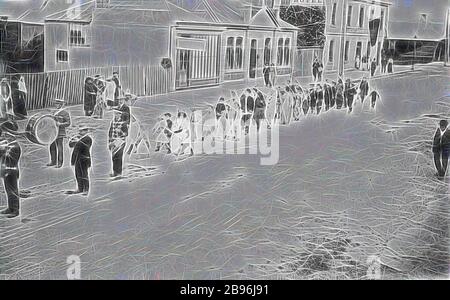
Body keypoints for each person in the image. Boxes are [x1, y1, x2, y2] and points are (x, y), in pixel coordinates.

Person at [0, 123, 21, 218]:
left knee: (13, 190)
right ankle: (10, 207)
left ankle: (15, 210)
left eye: (6, 133)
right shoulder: (7, 144)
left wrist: (3, 150)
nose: (4, 135)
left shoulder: (14, 146)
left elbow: (10, 160)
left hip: (11, 172)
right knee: (8, 190)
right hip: (7, 172)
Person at [108, 96, 130, 178]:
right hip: (113, 141)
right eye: (115, 114)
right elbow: (110, 131)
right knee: (113, 157)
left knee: (119, 157)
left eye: (117, 114)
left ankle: (119, 172)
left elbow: (126, 133)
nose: (116, 115)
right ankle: (114, 171)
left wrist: (122, 135)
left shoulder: (123, 123)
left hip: (120, 141)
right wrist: (109, 140)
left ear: (120, 115)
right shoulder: (113, 122)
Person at [67, 127, 92, 196]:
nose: (80, 132)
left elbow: (81, 145)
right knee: (78, 174)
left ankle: (86, 190)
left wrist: (77, 140)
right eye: (80, 130)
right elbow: (70, 145)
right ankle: (80, 189)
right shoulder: (79, 138)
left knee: (84, 174)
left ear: (86, 131)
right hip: (77, 159)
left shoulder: (88, 139)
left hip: (84, 159)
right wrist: (71, 139)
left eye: (82, 131)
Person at [47, 99, 71, 168]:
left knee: (59, 147)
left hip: (60, 132)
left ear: (61, 105)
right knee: (52, 146)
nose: (56, 105)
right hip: (53, 132)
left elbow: (68, 123)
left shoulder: (65, 112)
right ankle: (53, 161)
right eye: (55, 104)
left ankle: (60, 163)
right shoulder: (53, 112)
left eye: (58, 104)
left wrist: (60, 124)